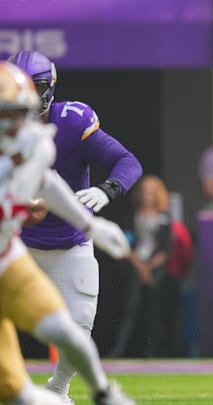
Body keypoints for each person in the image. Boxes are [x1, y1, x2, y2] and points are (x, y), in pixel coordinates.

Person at [8, 50, 142, 405]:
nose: (17, 113)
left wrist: (98, 204)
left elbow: (52, 182)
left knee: (76, 322)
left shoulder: (62, 126)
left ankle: (66, 391)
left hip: (66, 243)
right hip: (13, 244)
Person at [111, 175, 180, 358]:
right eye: (145, 191)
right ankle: (119, 351)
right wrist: (140, 267)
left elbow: (165, 249)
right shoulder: (132, 216)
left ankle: (154, 352)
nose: (147, 195)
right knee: (130, 310)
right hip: (135, 265)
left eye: (151, 191)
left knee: (154, 311)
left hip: (155, 268)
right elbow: (127, 244)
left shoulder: (164, 218)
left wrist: (150, 268)